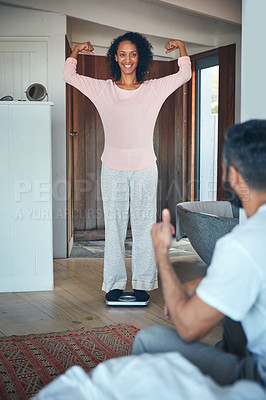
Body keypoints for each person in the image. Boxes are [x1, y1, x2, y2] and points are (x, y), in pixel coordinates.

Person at [133, 119, 266, 388]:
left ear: (235, 176)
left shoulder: (243, 242)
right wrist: (196, 285)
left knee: (148, 340)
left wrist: (161, 254)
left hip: (258, 379)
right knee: (233, 318)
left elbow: (188, 326)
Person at [62, 32, 191, 302]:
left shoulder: (153, 89)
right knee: (116, 227)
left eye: (133, 54)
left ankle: (143, 282)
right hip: (112, 168)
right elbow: (69, 77)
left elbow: (184, 75)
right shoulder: (103, 90)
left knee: (145, 228)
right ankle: (115, 283)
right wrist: (74, 51)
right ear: (115, 58)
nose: (127, 59)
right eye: (122, 54)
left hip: (145, 168)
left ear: (140, 57)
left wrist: (181, 47)